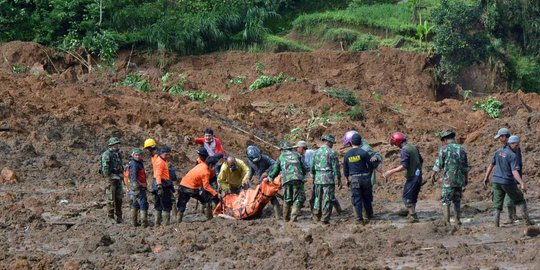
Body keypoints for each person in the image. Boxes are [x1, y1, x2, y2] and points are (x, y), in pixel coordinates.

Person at [482, 135, 533, 227]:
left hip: (496, 181)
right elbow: (514, 171)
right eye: (516, 145)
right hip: (507, 181)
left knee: (497, 204)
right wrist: (522, 183)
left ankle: (496, 224)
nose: (517, 147)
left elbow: (491, 165)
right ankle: (527, 222)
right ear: (512, 144)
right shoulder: (513, 156)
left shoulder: (498, 152)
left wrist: (486, 177)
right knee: (521, 200)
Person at [429, 130, 469, 225]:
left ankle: (446, 221)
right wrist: (466, 178)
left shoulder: (444, 149)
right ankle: (457, 220)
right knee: (457, 200)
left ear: (446, 139)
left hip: (448, 180)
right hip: (459, 179)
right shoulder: (462, 149)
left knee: (446, 200)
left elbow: (439, 164)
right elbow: (465, 167)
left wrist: (432, 175)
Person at [383, 132, 423, 223]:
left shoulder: (404, 150)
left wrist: (391, 172)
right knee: (413, 196)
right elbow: (421, 160)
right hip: (418, 175)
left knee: (407, 197)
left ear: (397, 142)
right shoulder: (413, 147)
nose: (395, 145)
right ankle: (411, 213)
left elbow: (404, 166)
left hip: (412, 177)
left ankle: (413, 216)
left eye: (395, 143)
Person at [268, 142, 306, 222]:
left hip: (286, 180)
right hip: (298, 179)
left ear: (282, 150)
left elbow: (275, 170)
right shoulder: (297, 155)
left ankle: (285, 218)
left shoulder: (281, 157)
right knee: (299, 198)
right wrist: (303, 176)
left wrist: (270, 177)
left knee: (287, 198)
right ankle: (293, 218)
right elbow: (304, 168)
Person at [177, 157, 221, 222]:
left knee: (182, 204)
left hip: (182, 185)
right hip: (191, 188)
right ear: (211, 164)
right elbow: (206, 186)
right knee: (206, 201)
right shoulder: (206, 172)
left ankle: (178, 221)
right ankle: (210, 219)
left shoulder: (201, 165)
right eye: (214, 165)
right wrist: (215, 193)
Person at [311, 134, 342, 224]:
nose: (333, 144)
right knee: (327, 198)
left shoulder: (316, 152)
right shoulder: (332, 152)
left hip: (318, 178)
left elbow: (312, 167)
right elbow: (336, 168)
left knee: (317, 198)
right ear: (329, 142)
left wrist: (313, 176)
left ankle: (316, 216)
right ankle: (324, 218)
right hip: (328, 179)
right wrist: (339, 179)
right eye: (332, 143)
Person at [493, 128, 522, 223]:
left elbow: (514, 165)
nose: (499, 140)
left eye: (500, 137)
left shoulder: (513, 147)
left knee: (510, 198)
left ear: (504, 137)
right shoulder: (506, 148)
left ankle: (511, 217)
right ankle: (512, 216)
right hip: (507, 176)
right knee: (509, 197)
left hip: (511, 176)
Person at [246, 145, 282, 219]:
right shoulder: (250, 161)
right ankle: (257, 214)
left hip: (268, 180)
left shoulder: (265, 158)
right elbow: (252, 170)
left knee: (271, 196)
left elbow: (275, 164)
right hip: (260, 181)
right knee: (259, 198)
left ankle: (278, 215)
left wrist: (267, 172)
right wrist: (248, 177)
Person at [100, 137, 124, 223]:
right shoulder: (107, 154)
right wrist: (109, 177)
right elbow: (105, 166)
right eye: (115, 144)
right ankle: (110, 217)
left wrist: (122, 174)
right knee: (110, 198)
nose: (117, 145)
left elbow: (120, 165)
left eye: (117, 144)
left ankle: (119, 216)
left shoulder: (118, 154)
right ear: (111, 145)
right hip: (111, 179)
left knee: (119, 198)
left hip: (118, 178)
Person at [127, 148, 149, 227]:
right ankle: (144, 223)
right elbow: (134, 178)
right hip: (138, 188)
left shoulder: (137, 163)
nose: (138, 156)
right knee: (143, 204)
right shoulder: (134, 164)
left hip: (134, 188)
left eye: (140, 155)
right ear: (133, 155)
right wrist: (141, 185)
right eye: (136, 155)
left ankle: (134, 223)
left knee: (135, 204)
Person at [153, 147, 175, 226]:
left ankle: (157, 223)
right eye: (166, 154)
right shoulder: (160, 162)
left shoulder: (161, 159)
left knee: (158, 205)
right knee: (166, 204)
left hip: (158, 183)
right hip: (162, 184)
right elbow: (158, 175)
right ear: (161, 153)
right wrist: (159, 186)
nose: (168, 156)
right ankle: (166, 224)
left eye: (168, 154)